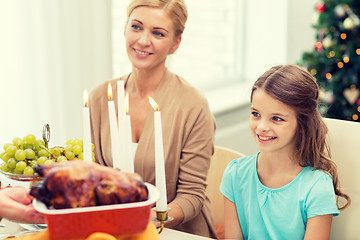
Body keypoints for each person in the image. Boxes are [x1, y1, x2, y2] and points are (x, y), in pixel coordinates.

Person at [89, 0, 217, 238]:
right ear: (125, 29)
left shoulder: (193, 106)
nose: (143, 40)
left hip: (177, 233)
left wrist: (147, 218)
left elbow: (192, 196)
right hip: (111, 231)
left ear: (175, 43)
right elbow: (92, 176)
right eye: (136, 27)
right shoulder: (99, 99)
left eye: (158, 33)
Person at [220, 64, 351, 240]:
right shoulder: (235, 173)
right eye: (255, 114)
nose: (261, 127)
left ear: (302, 124)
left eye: (276, 118)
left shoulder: (316, 188)